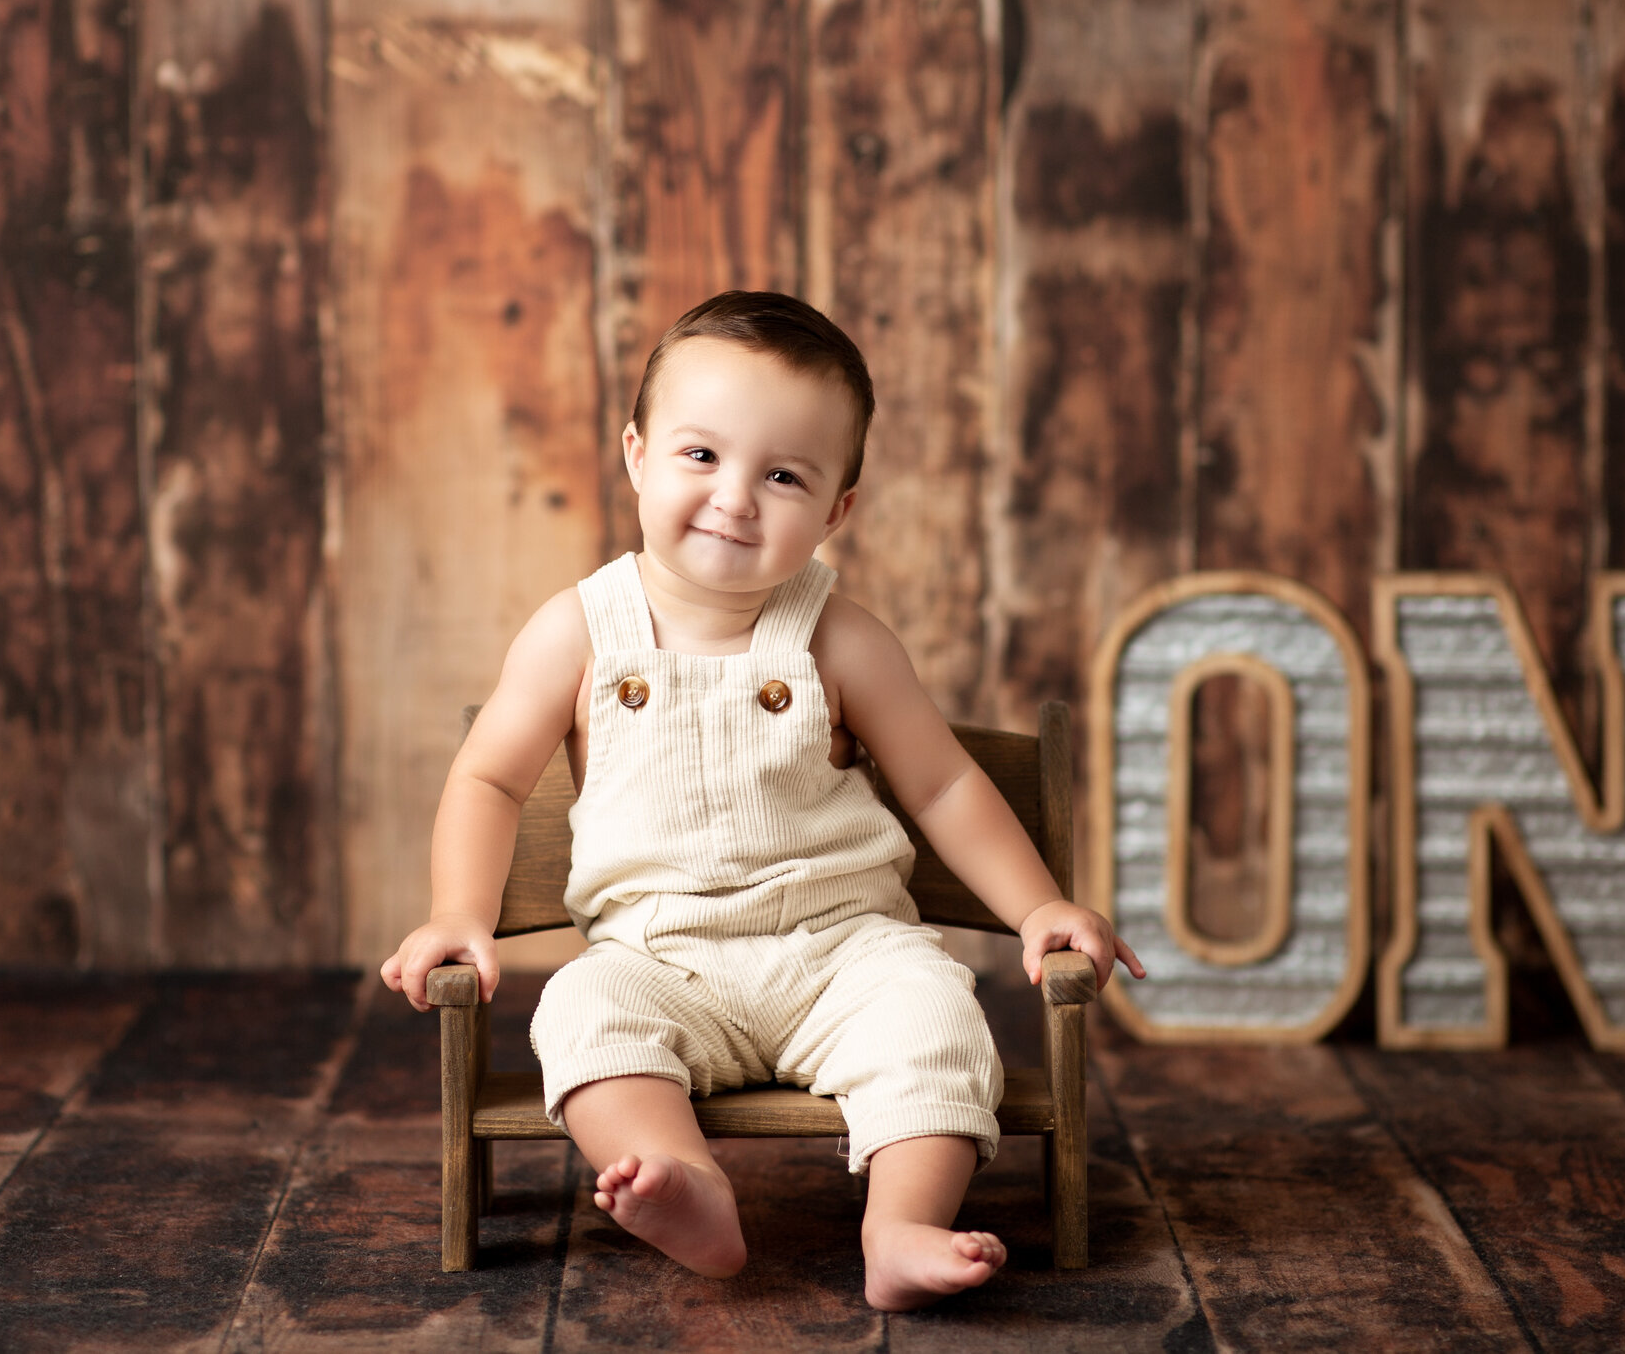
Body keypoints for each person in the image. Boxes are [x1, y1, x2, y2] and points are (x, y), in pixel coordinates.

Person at [380, 290, 1142, 1310]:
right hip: (657, 955)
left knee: (936, 1018)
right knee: (580, 1010)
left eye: (782, 474)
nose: (735, 497)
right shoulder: (578, 632)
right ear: (637, 453)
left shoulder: (842, 636)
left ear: (835, 509)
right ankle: (678, 1179)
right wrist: (459, 911)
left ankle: (902, 1222)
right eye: (701, 456)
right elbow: (487, 777)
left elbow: (943, 779)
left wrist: (1037, 905)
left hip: (841, 948)